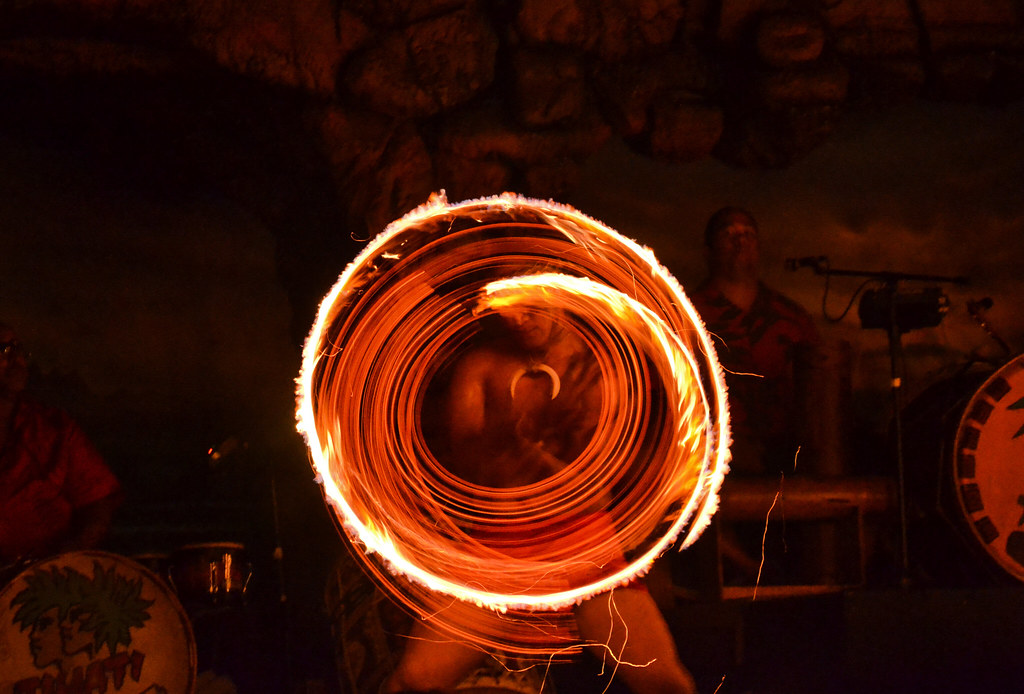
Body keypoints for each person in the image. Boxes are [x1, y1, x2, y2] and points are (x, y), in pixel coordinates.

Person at [381, 302, 698, 694]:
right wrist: (517, 436)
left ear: (557, 296)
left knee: (664, 682)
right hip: (500, 551)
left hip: (583, 551)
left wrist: (529, 447)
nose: (517, 318)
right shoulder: (480, 366)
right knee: (414, 681)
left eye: (529, 306)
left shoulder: (596, 369)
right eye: (506, 308)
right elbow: (468, 473)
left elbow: (595, 487)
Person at [688, 207, 823, 477]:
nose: (740, 241)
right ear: (709, 249)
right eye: (729, 234)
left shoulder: (791, 319)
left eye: (748, 234)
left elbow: (816, 395)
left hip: (785, 465)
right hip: (711, 465)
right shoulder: (687, 318)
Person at [0, 322, 122, 568]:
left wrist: (58, 563)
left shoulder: (54, 429)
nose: (18, 362)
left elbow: (98, 506)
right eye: (4, 351)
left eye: (20, 351)